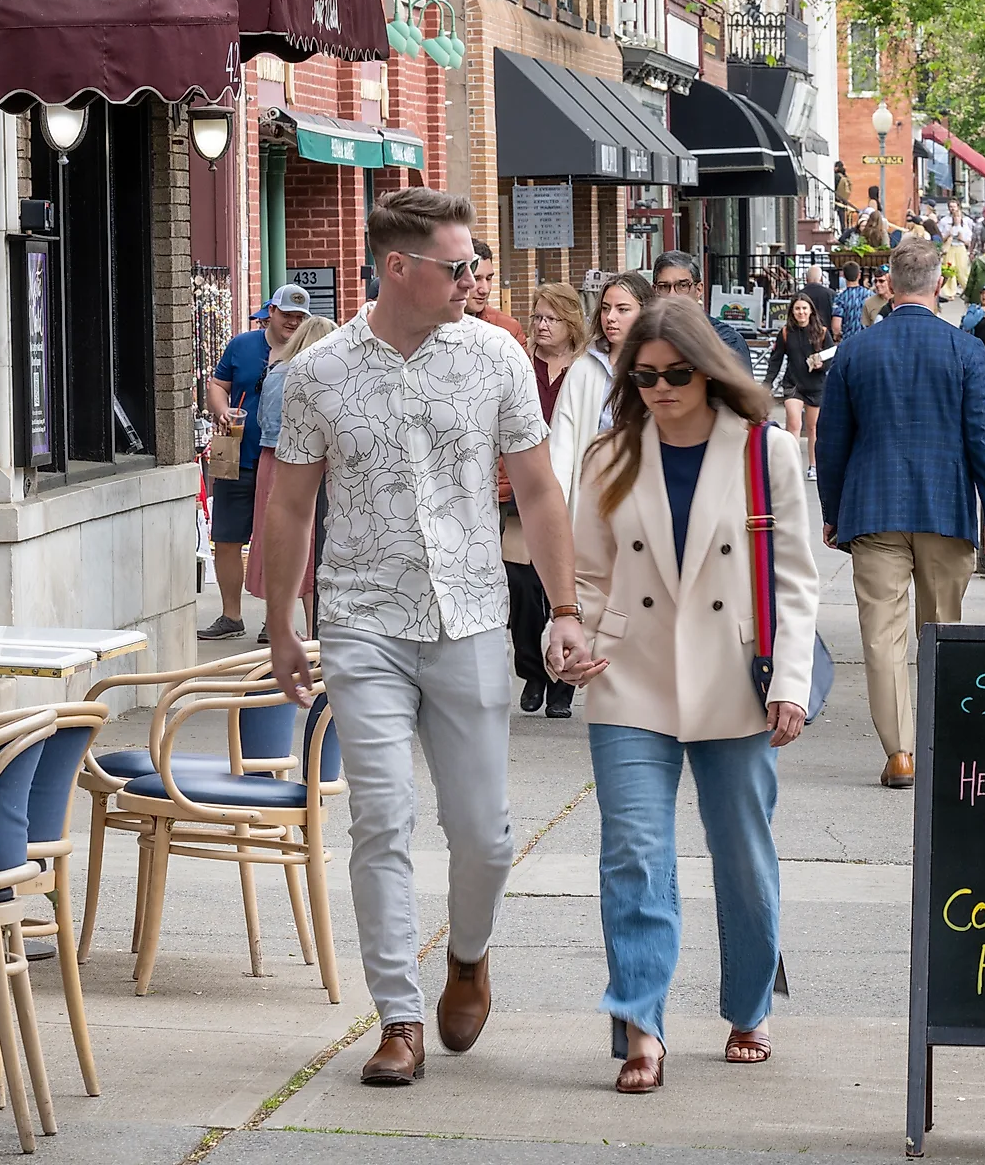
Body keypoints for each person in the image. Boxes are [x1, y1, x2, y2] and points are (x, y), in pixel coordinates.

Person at [262, 189, 591, 1089]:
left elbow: (539, 489)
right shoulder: (318, 372)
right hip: (363, 620)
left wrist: (562, 610)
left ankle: (470, 956)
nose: (472, 279)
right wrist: (282, 625)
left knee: (484, 834)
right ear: (397, 268)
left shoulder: (496, 357)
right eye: (458, 266)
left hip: (475, 618)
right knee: (381, 820)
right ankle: (398, 1017)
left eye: (474, 263)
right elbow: (289, 506)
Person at [568, 298, 820, 1093]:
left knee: (742, 855)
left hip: (731, 675)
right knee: (634, 855)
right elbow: (582, 577)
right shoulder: (609, 456)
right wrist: (565, 637)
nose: (661, 388)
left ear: (708, 370)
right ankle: (640, 1023)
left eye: (677, 373)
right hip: (628, 676)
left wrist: (792, 683)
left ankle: (749, 1003)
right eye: (643, 377)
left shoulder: (762, 451)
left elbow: (796, 579)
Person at [815, 241, 985, 789]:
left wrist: (833, 512)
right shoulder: (966, 351)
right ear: (938, 283)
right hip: (946, 508)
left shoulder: (854, 351)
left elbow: (831, 442)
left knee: (882, 635)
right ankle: (940, 743)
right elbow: (982, 436)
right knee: (942, 629)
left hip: (874, 509)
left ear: (891, 282)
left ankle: (900, 752)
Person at [202, 283, 312, 639]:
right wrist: (221, 410)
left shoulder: (310, 350)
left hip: (287, 463)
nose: (292, 323)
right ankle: (230, 615)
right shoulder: (243, 345)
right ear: (271, 312)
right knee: (228, 537)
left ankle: (273, 621)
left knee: (276, 542)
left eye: (300, 317)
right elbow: (217, 385)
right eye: (287, 315)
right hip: (237, 455)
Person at [507, 286, 591, 715]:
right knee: (522, 586)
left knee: (562, 587)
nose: (541, 325)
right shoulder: (520, 365)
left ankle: (563, 686)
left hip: (571, 493)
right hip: (522, 492)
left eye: (551, 318)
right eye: (537, 316)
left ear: (570, 323)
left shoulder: (586, 369)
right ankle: (532, 671)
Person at [243, 314, 338, 644]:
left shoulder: (276, 371)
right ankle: (316, 631)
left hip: (270, 461)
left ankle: (275, 622)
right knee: (312, 547)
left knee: (276, 541)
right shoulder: (313, 376)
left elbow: (259, 419)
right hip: (305, 465)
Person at [551, 273, 652, 509]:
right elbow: (562, 443)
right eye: (606, 308)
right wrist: (557, 504)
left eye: (623, 309)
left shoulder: (657, 368)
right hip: (593, 491)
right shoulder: (584, 367)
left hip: (643, 490)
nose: (611, 318)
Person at [761, 291, 831, 469]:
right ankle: (791, 465)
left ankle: (813, 465)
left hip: (815, 385)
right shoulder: (786, 333)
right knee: (793, 423)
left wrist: (820, 365)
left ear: (811, 311)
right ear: (792, 311)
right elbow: (775, 360)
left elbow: (832, 358)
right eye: (797, 309)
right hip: (793, 384)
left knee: (813, 427)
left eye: (804, 308)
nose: (801, 312)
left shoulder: (822, 332)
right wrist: (767, 385)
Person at [652, 251, 750, 363]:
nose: (672, 295)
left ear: (699, 289)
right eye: (664, 287)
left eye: (682, 286)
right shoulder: (648, 338)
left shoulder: (727, 341)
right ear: (654, 291)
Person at [469, 241, 525, 345]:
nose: (485, 289)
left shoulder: (508, 329)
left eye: (489, 278)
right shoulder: (431, 326)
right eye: (476, 279)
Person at [831, 262, 873, 347]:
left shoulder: (840, 298)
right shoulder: (870, 295)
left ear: (843, 276)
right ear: (859, 275)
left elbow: (836, 327)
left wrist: (838, 336)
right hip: (867, 341)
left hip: (848, 342)